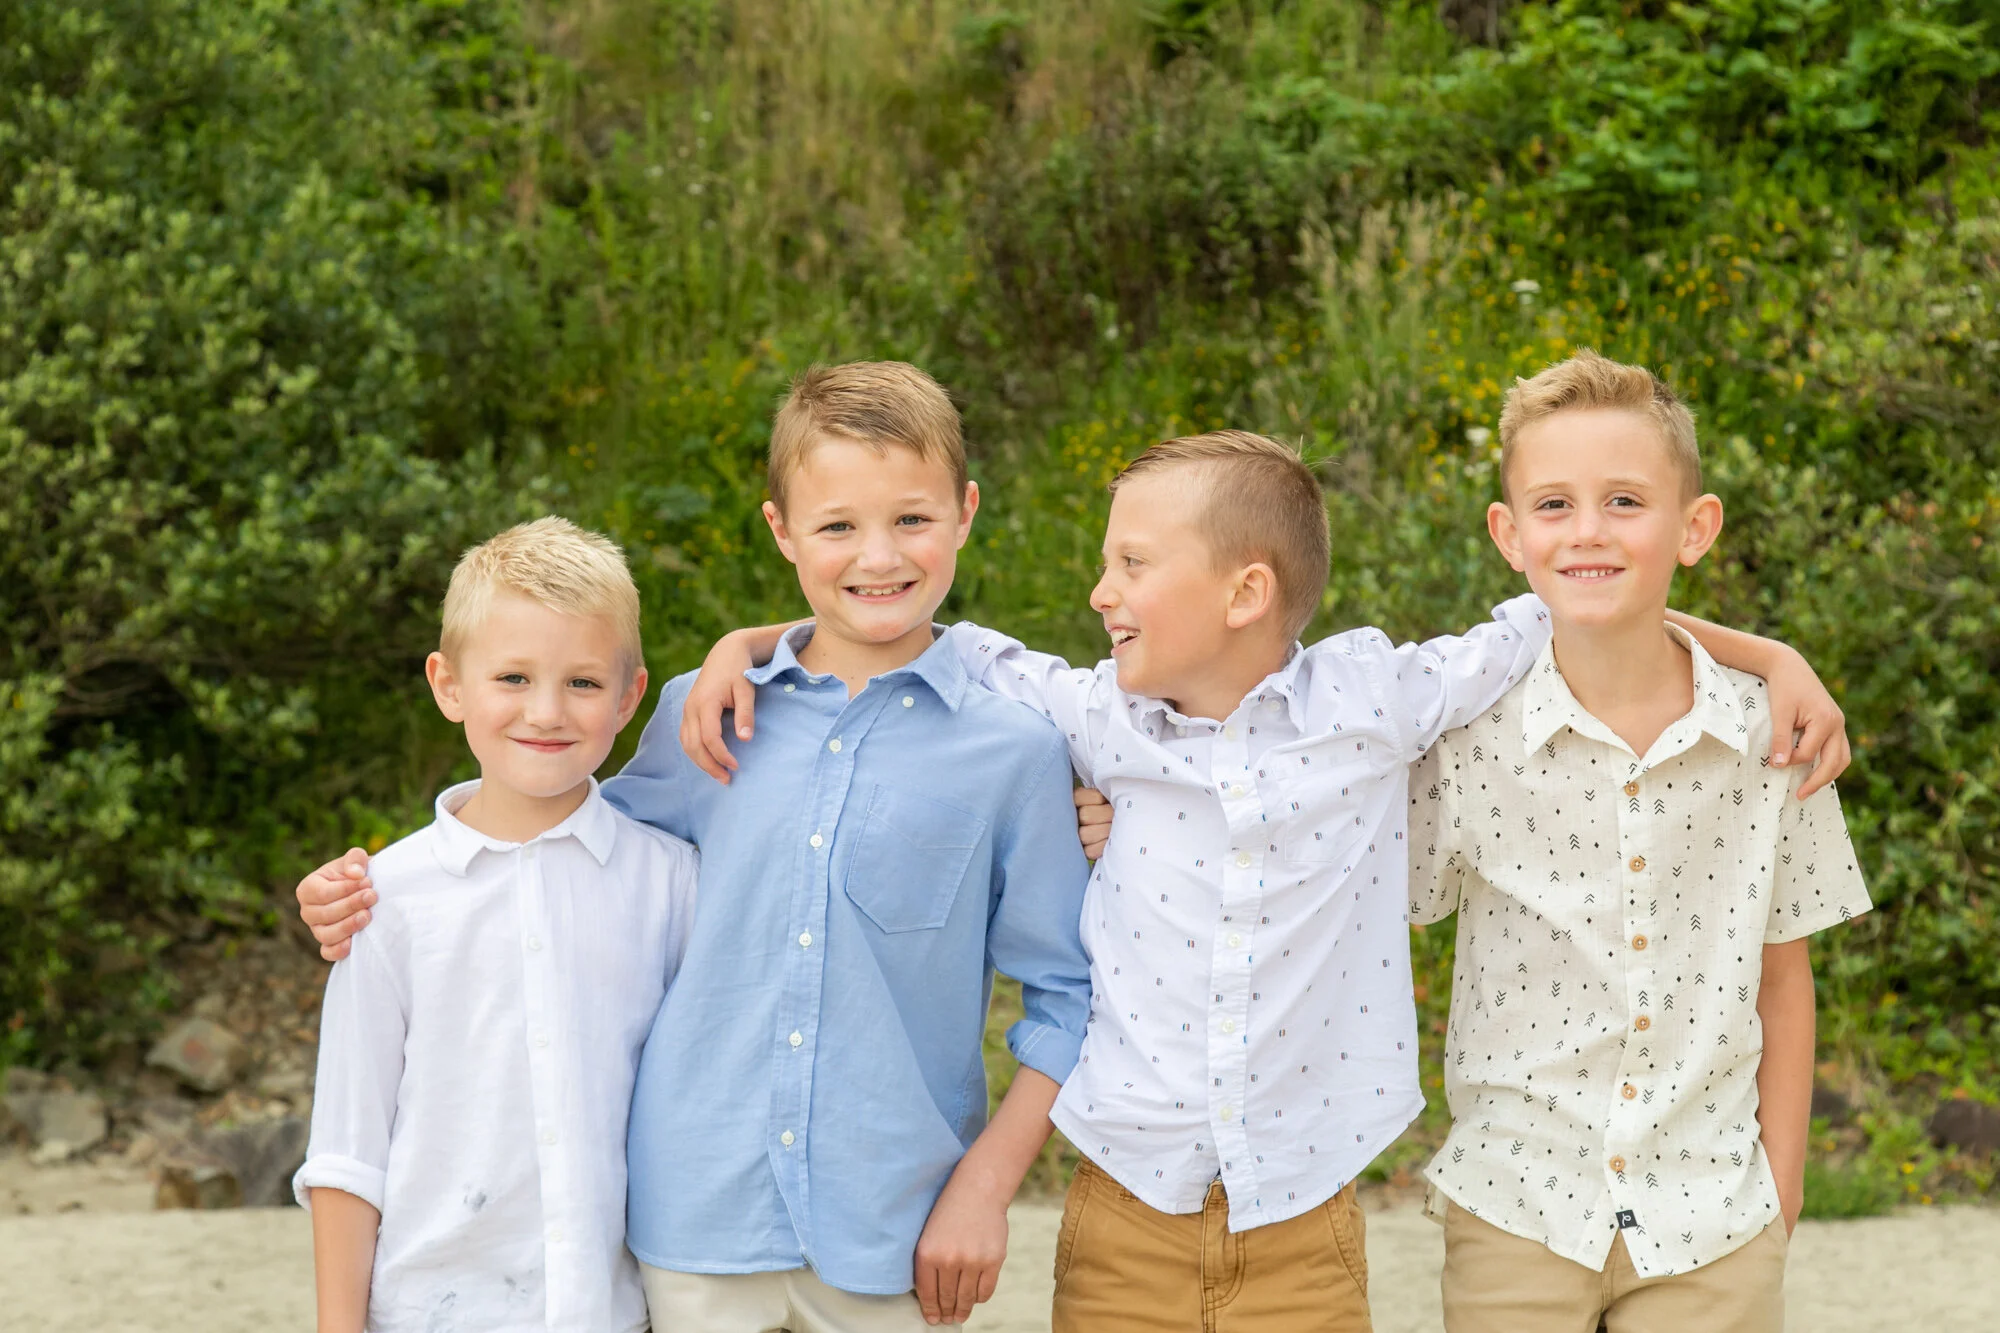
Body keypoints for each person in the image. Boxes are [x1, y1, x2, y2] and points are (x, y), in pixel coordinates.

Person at [679, 428, 1849, 1333]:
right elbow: (902, 625)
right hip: (1120, 1204)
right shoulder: (1091, 716)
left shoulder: (1373, 703)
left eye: (1129, 564)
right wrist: (742, 646)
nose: (1099, 590)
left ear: (1243, 593)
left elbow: (1572, 601)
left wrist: (1767, 655)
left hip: (1304, 1214)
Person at [294, 361, 1094, 1332]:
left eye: (911, 521)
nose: (876, 554)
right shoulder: (706, 712)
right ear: (782, 531)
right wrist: (368, 891)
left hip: (895, 1224)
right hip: (692, 1223)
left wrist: (983, 1188)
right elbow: (555, 837)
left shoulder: (1011, 748)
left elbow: (1064, 994)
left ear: (964, 513)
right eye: (837, 525)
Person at [1404, 350, 1871, 1332]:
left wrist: (1778, 1193)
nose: (1585, 531)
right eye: (1552, 505)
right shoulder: (1460, 739)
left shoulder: (1772, 736)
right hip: (1513, 1211)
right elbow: (1332, 857)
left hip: (1709, 1218)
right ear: (1507, 534)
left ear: (1691, 527)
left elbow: (1782, 979)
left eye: (1623, 501)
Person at [294, 516, 698, 1333]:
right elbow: (349, 1146)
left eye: (583, 683)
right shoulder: (386, 899)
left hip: (613, 1313)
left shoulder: (672, 882)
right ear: (448, 685)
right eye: (512, 677)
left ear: (629, 695)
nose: (545, 711)